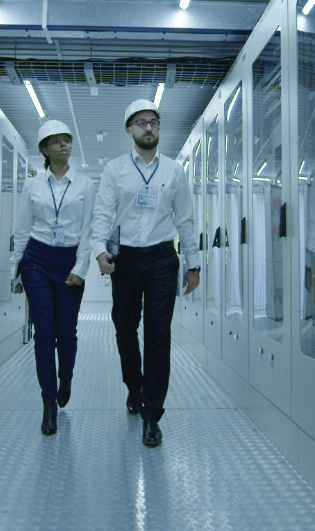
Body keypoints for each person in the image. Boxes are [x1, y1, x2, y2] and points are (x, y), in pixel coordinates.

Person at [90, 99, 200, 447]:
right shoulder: (115, 169)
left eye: (153, 122)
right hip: (125, 259)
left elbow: (185, 219)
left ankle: (153, 414)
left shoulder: (173, 171)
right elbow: (103, 215)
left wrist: (193, 263)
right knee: (125, 328)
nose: (148, 128)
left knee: (158, 334)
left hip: (162, 259)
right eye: (140, 122)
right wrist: (99, 252)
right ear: (129, 129)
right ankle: (133, 386)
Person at [11, 119, 96, 436]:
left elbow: (88, 232)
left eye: (67, 140)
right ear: (45, 150)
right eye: (56, 141)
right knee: (44, 332)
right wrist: (15, 271)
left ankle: (66, 377)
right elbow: (22, 230)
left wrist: (80, 268)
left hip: (69, 261)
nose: (64, 145)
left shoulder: (85, 185)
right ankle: (48, 403)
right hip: (37, 260)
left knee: (67, 333)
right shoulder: (32, 185)